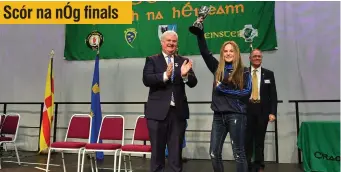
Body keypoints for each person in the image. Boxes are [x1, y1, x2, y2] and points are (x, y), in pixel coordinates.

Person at [193, 21, 252, 172]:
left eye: (231, 51)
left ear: (236, 53)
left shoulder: (244, 71)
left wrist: (222, 89)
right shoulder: (217, 68)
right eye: (225, 51)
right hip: (218, 116)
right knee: (213, 153)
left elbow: (246, 93)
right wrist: (200, 33)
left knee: (239, 154)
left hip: (236, 115)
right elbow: (205, 53)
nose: (228, 53)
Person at [142, 30, 198, 172]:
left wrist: (185, 76)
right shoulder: (152, 60)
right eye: (168, 41)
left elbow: (193, 82)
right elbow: (147, 79)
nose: (171, 43)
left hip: (177, 114)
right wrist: (165, 75)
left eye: (174, 41)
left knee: (175, 154)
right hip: (157, 114)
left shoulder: (183, 61)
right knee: (157, 155)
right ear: (162, 42)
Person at [245, 49, 278, 172]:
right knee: (247, 139)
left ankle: (259, 165)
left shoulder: (269, 74)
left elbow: (273, 95)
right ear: (250, 58)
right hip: (247, 110)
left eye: (259, 56)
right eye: (255, 56)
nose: (257, 58)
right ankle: (247, 165)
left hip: (262, 111)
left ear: (261, 58)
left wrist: (273, 112)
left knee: (259, 140)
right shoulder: (244, 73)